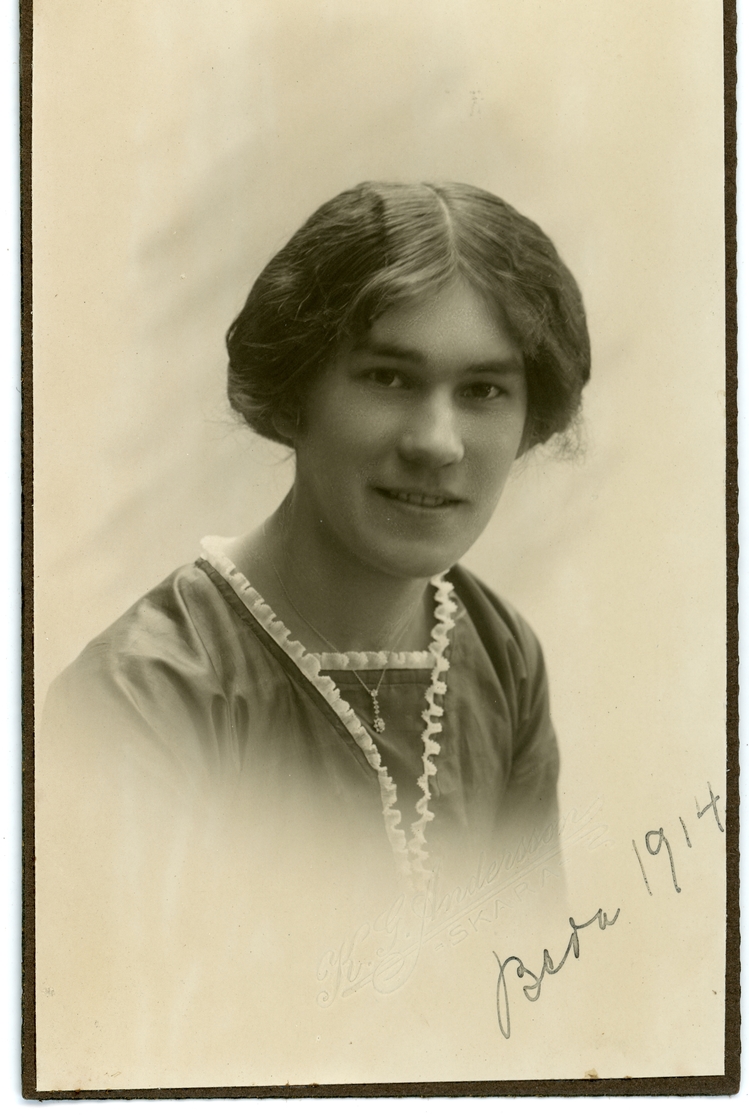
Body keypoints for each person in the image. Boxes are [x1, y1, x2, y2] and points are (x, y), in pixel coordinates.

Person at [36, 182, 590, 1084]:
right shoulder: (144, 699)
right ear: (295, 394)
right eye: (387, 378)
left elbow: (531, 1007)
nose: (437, 442)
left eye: (484, 390)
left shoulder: (499, 653)